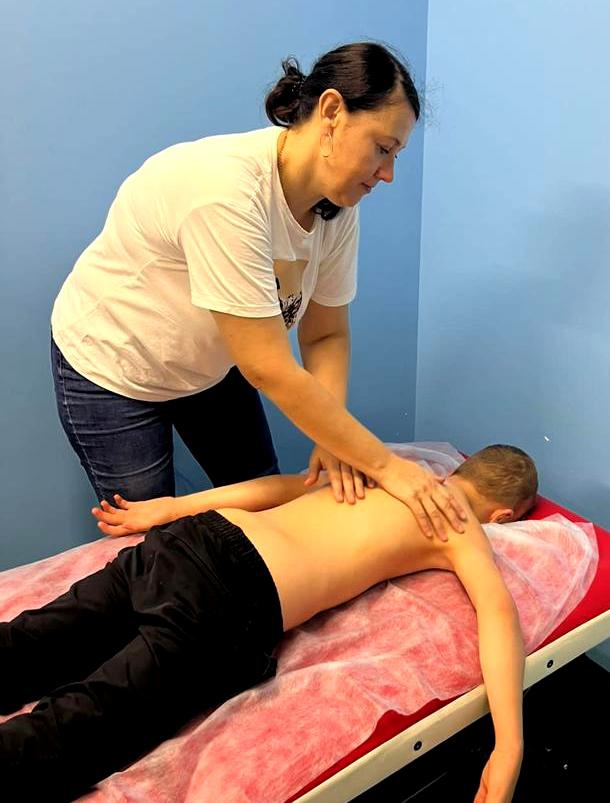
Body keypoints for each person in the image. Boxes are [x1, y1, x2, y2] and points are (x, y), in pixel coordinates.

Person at [50, 41, 464, 540]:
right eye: (382, 148)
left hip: (215, 363)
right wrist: (387, 466)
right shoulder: (225, 192)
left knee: (266, 510)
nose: (389, 174)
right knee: (151, 544)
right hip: (116, 365)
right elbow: (267, 367)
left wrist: (333, 436)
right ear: (332, 111)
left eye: (395, 155)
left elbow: (326, 334)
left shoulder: (335, 210)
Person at [0, 445, 538, 802]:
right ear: (504, 516)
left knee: (36, 640)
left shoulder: (393, 470)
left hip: (194, 537)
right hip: (230, 595)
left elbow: (283, 487)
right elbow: (498, 614)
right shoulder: (462, 527)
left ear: (460, 471)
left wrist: (171, 508)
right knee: (90, 721)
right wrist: (509, 745)